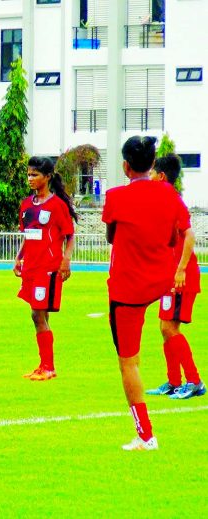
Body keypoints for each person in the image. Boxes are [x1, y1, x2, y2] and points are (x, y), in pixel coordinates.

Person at [103, 136, 192, 451]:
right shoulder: (168, 193)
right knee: (169, 328)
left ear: (126, 166)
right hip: (162, 281)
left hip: (127, 289)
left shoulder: (115, 197)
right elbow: (179, 231)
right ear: (153, 164)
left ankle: (145, 435)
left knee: (129, 362)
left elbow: (111, 236)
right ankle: (184, 379)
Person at [145, 155, 206, 399]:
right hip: (170, 277)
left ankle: (194, 381)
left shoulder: (172, 200)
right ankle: (173, 381)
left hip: (182, 276)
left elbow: (189, 236)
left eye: (151, 173)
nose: (148, 177)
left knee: (171, 328)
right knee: (165, 327)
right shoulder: (161, 200)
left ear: (161, 176)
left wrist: (180, 269)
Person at [13, 157, 77, 381]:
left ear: (47, 177)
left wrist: (65, 261)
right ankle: (44, 365)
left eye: (35, 175)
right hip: (31, 267)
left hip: (48, 269)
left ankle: (48, 366)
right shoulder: (26, 205)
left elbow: (69, 235)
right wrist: (19, 258)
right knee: (40, 313)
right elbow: (28, 234)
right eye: (29, 174)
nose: (30, 179)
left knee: (37, 314)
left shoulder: (57, 205)